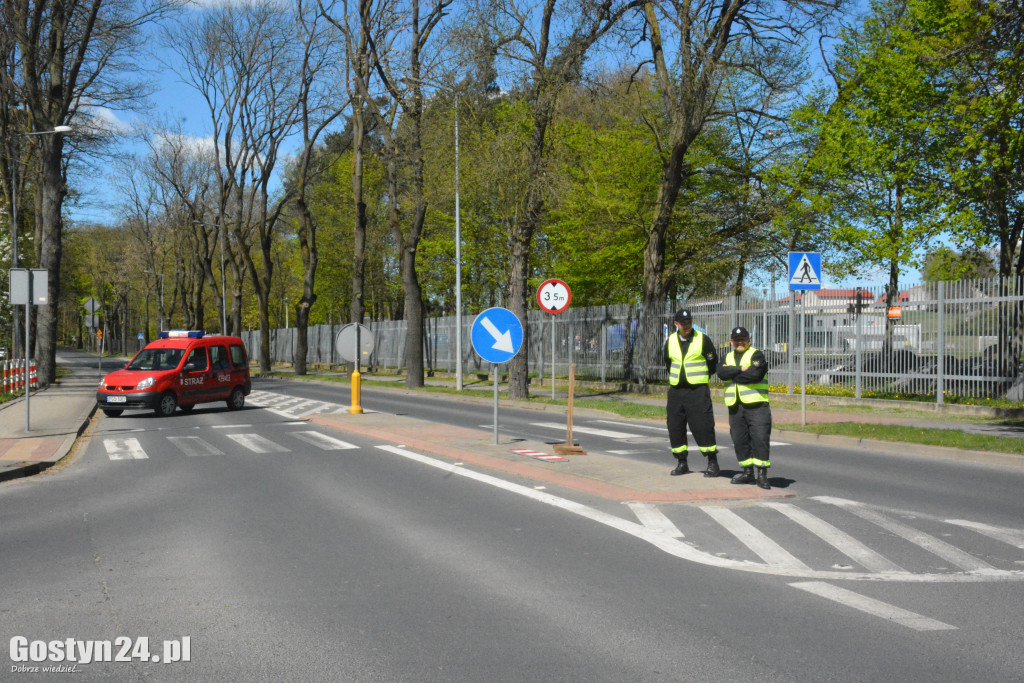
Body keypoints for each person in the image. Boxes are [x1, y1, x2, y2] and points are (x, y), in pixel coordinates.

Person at [664, 309, 720, 477]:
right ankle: (682, 462)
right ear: (676, 324)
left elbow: (712, 362)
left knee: (703, 426)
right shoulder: (670, 340)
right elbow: (668, 362)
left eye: (689, 322)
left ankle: (712, 462)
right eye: (683, 323)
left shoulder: (702, 339)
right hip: (676, 390)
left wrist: (700, 377)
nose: (687, 325)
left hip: (697, 390)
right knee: (675, 426)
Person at [717, 326, 772, 489]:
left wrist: (731, 373)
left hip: (756, 405)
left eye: (743, 339)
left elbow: (755, 375)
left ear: (749, 340)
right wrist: (740, 369)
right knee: (739, 440)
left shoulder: (756, 355)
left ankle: (762, 474)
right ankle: (748, 472)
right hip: (735, 405)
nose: (740, 342)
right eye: (737, 340)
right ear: (732, 342)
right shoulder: (727, 356)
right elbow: (720, 372)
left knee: (759, 438)